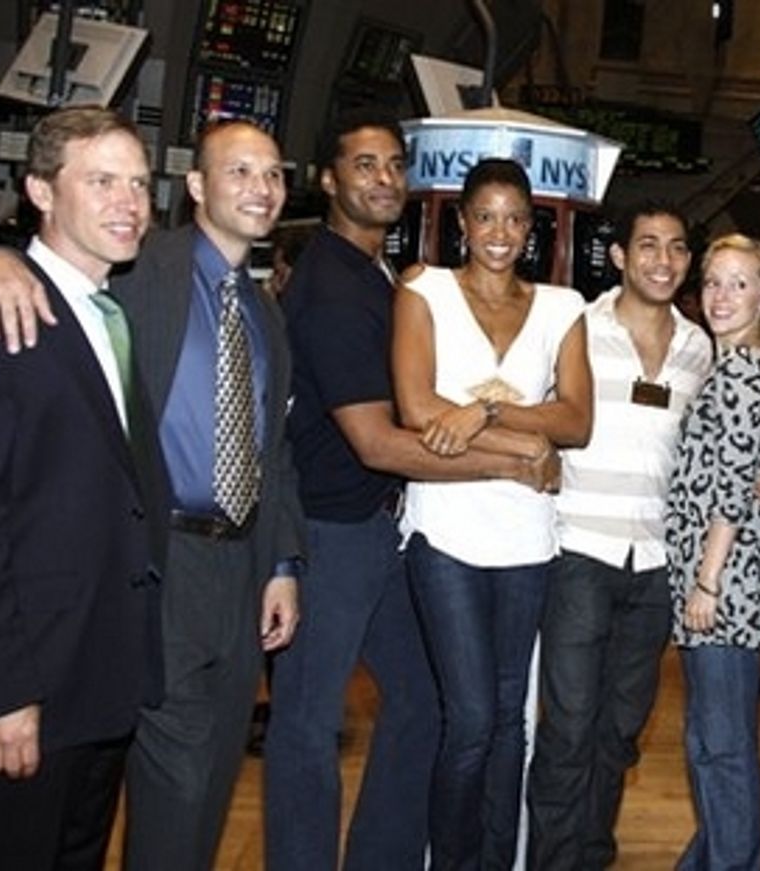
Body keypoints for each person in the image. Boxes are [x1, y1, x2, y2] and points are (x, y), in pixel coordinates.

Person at [0, 119, 305, 871]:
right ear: (196, 187)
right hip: (147, 572)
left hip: (222, 577)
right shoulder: (136, 270)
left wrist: (281, 559)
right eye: (239, 171)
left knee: (181, 792)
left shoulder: (261, 310)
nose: (261, 189)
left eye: (273, 174)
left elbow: (271, 445)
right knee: (154, 793)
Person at [266, 110, 553, 871]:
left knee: (425, 700)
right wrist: (508, 463)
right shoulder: (330, 285)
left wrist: (501, 433)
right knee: (307, 724)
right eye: (364, 165)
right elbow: (377, 442)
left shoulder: (381, 275)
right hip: (326, 532)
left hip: (377, 527)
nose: (384, 178)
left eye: (395, 164)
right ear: (329, 180)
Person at [0, 106, 166, 871]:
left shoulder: (106, 312)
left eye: (139, 184)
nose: (129, 202)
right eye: (103, 182)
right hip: (24, 690)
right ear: (41, 192)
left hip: (99, 679)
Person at [391, 157, 591, 870]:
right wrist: (526, 445)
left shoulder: (564, 306)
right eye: (485, 216)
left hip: (529, 540)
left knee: (511, 721)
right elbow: (417, 409)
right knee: (473, 718)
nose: (499, 232)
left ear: (532, 227)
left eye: (514, 218)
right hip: (445, 532)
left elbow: (576, 420)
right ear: (462, 222)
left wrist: (483, 411)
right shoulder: (424, 290)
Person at [526, 201, 712, 870]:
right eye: (649, 245)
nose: (664, 259)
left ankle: (592, 850)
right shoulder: (576, 326)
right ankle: (553, 859)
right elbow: (538, 411)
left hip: (659, 564)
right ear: (620, 257)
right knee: (570, 726)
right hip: (581, 549)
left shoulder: (699, 346)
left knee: (621, 727)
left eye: (677, 246)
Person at [668, 232, 760, 870]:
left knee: (723, 748)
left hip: (724, 585)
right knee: (710, 745)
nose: (722, 295)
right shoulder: (732, 361)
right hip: (711, 578)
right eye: (714, 281)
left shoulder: (743, 369)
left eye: (740, 283)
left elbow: (736, 483)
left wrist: (708, 580)